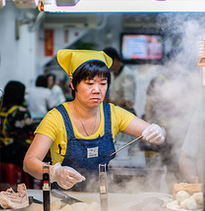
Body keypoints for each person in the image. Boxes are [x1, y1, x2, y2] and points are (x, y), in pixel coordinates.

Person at [23, 49, 166, 191]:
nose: (97, 90)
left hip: (101, 200)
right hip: (61, 202)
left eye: (103, 83)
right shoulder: (56, 118)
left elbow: (152, 130)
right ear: (73, 84)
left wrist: (159, 132)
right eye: (89, 83)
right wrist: (55, 172)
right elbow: (29, 163)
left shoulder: (113, 114)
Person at [0, 81, 36, 166]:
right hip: (17, 152)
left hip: (1, 151)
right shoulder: (21, 111)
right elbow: (32, 129)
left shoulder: (1, 109)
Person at [103, 47, 136, 114]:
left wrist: (110, 102)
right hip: (115, 112)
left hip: (125, 114)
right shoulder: (113, 74)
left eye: (108, 63)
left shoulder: (127, 74)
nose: (107, 66)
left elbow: (129, 101)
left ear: (115, 60)